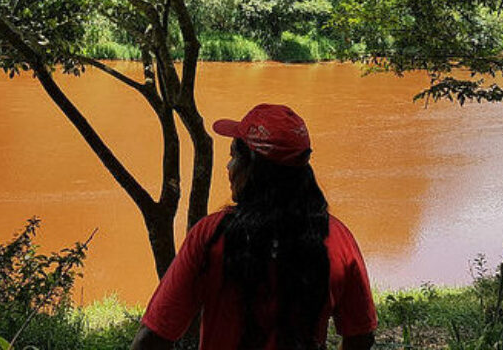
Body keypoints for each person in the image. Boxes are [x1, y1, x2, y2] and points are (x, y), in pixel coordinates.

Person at [131, 104, 376, 350]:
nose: (228, 168)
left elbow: (153, 337)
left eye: (233, 157)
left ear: (253, 169)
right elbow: (361, 334)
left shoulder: (211, 237)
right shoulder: (337, 240)